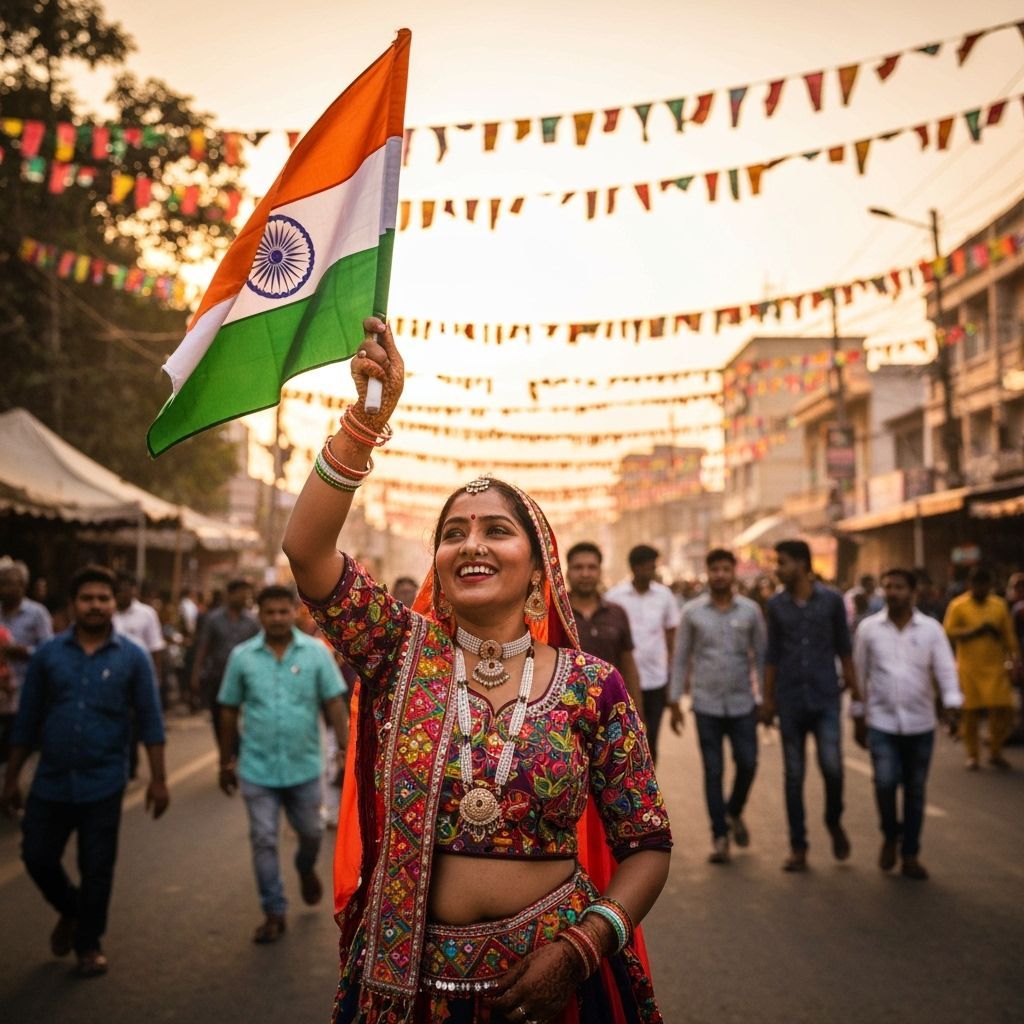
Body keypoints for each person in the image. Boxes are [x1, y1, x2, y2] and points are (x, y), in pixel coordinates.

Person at [281, 318, 672, 1024]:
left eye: (496, 529)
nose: (471, 543)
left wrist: (583, 947)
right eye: (453, 532)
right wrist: (365, 423)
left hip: (557, 982)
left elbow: (645, 845)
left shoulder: (591, 685)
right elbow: (307, 551)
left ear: (537, 568)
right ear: (437, 566)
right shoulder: (400, 652)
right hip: (410, 988)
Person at [1, 565, 168, 977]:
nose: (96, 605)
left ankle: (88, 943)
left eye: (103, 598)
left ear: (114, 603)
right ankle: (72, 910)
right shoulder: (48, 655)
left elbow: (150, 719)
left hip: (104, 780)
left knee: (97, 867)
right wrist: (11, 778)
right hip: (51, 779)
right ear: (72, 605)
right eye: (87, 598)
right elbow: (28, 719)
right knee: (36, 857)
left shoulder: (133, 657)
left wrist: (159, 780)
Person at [217, 585, 348, 943]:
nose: (276, 618)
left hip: (304, 766)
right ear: (258, 614)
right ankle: (274, 911)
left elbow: (334, 702)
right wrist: (226, 760)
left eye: (283, 611)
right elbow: (228, 710)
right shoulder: (242, 657)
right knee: (263, 839)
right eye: (269, 612)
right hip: (256, 767)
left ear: (295, 612)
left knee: (312, 833)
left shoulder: (316, 654)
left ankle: (306, 869)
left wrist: (346, 748)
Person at [851, 569, 961, 880]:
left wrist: (952, 703)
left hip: (920, 723)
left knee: (914, 790)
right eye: (887, 587)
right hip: (881, 721)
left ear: (912, 591)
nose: (891, 592)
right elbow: (859, 674)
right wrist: (858, 714)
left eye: (898, 587)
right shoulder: (869, 629)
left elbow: (944, 669)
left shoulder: (930, 630)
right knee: (885, 783)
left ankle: (910, 853)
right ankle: (890, 834)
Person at [759, 539, 861, 872]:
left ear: (802, 564)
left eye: (783, 562)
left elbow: (844, 648)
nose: (778, 569)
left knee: (832, 766)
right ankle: (798, 845)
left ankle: (833, 820)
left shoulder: (831, 600)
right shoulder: (775, 605)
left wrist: (855, 689)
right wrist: (768, 698)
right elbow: (771, 654)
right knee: (794, 775)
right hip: (790, 699)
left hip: (825, 696)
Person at [668, 548, 765, 864]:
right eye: (715, 570)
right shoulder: (693, 612)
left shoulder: (750, 612)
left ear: (734, 572)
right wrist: (675, 700)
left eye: (726, 569)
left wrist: (765, 697)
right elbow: (681, 657)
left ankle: (734, 811)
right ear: (708, 573)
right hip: (706, 703)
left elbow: (762, 657)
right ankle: (719, 835)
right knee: (713, 770)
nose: (721, 575)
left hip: (742, 702)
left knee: (748, 763)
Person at [606, 544, 679, 765]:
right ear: (634, 568)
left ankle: (648, 790)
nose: (651, 571)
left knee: (650, 737)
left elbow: (671, 636)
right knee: (622, 740)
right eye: (647, 567)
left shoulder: (664, 596)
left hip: (655, 680)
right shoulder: (615, 597)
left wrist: (672, 674)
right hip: (623, 683)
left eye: (653, 567)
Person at [943, 566, 1021, 770]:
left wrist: (1015, 660)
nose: (983, 589)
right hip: (969, 668)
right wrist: (974, 631)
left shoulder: (999, 605)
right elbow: (949, 632)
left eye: (986, 585)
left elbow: (1009, 635)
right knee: (971, 714)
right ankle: (973, 755)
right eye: (979, 585)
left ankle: (995, 750)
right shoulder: (958, 605)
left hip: (995, 667)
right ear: (971, 585)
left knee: (1005, 709)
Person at [565, 541, 643, 709]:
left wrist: (638, 714)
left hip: (611, 708)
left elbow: (628, 666)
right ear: (567, 573)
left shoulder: (617, 613)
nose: (585, 574)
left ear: (600, 572)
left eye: (592, 567)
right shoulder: (556, 615)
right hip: (566, 712)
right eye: (578, 568)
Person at [189, 578, 259, 745]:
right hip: (218, 677)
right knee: (220, 718)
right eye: (241, 594)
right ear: (230, 595)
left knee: (245, 719)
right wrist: (195, 674)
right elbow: (203, 648)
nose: (245, 598)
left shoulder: (252, 622)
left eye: (247, 595)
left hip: (246, 679)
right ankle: (226, 751)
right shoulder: (213, 619)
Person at [0, 558, 54, 764]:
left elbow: (49, 651)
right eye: (1, 582)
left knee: (18, 745)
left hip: (24, 692)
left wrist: (23, 651)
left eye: (9, 583)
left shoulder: (37, 613)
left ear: (22, 586)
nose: (4, 588)